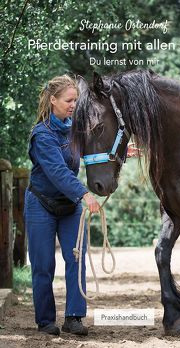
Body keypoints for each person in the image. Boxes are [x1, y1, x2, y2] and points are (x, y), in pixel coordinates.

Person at [24, 75, 100, 336]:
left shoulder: (74, 129)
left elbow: (89, 152)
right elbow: (57, 171)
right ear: (53, 100)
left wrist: (120, 154)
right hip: (41, 204)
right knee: (43, 265)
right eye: (69, 100)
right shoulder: (41, 135)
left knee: (76, 260)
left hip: (69, 205)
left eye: (75, 100)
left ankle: (74, 318)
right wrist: (84, 194)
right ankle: (45, 321)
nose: (73, 105)